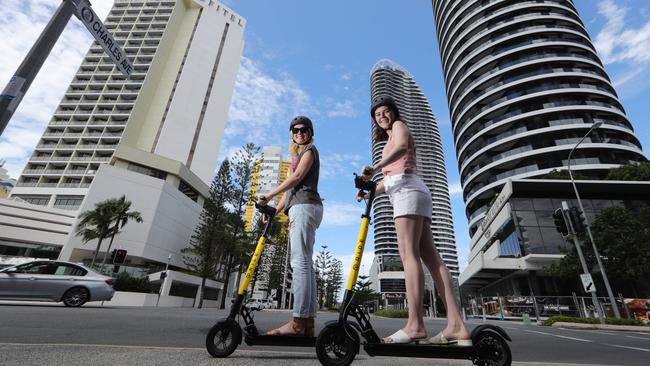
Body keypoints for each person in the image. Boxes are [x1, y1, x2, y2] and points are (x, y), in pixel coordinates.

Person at [360, 95, 471, 346]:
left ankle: (415, 325)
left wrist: (375, 168)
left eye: (386, 112)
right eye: (378, 115)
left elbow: (400, 150)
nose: (383, 117)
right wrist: (368, 190)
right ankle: (457, 325)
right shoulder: (388, 140)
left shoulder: (399, 127)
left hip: (408, 194)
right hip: (411, 191)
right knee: (430, 257)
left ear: (394, 112)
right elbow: (391, 179)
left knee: (409, 255)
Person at [257, 116, 323, 337]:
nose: (300, 133)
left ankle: (297, 323)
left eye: (304, 130)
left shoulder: (310, 151)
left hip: (305, 207)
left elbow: (296, 179)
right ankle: (308, 324)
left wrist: (267, 195)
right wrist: (273, 211)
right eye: (296, 130)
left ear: (310, 132)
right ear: (292, 134)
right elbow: (289, 193)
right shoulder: (295, 156)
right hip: (301, 206)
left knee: (300, 264)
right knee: (305, 264)